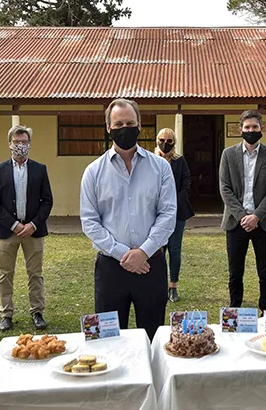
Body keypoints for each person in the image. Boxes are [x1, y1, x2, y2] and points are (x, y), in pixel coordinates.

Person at [80, 98, 177, 341]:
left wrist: (143, 252)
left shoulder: (161, 168)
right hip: (111, 268)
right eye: (119, 123)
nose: (125, 128)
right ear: (108, 128)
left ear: (140, 125)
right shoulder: (93, 172)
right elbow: (90, 221)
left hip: (151, 265)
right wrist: (124, 253)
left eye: (130, 123)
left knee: (153, 337)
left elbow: (167, 215)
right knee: (109, 340)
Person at [0, 124, 53, 331]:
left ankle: (37, 312)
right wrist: (14, 225)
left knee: (35, 273)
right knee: (5, 273)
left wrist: (33, 225)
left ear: (29, 144)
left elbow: (47, 201)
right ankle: (6, 314)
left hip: (34, 232)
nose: (20, 146)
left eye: (24, 142)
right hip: (8, 232)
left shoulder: (39, 169)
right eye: (17, 142)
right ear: (10, 144)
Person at [219, 109, 266, 313]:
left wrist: (256, 216)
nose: (251, 130)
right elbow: (225, 188)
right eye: (247, 127)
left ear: (261, 128)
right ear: (240, 130)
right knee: (235, 272)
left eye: (255, 127)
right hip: (236, 222)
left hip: (263, 223)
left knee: (265, 271)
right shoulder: (228, 155)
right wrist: (243, 216)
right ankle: (235, 309)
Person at [155, 127, 194, 302]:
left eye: (169, 141)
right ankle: (159, 285)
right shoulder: (151, 161)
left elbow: (186, 185)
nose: (165, 144)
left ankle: (173, 287)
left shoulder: (180, 161)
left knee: (175, 249)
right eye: (162, 140)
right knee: (158, 250)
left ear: (174, 143)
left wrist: (173, 204)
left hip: (178, 213)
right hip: (156, 213)